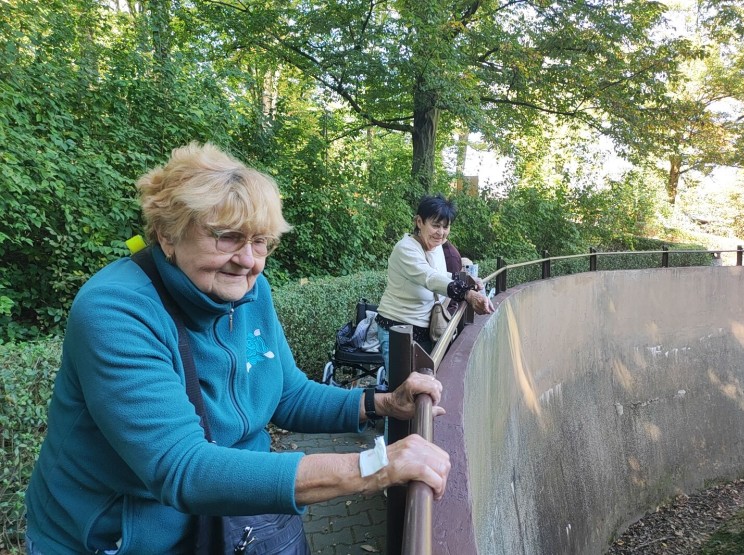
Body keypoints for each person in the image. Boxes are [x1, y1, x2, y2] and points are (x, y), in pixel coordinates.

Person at [23, 143, 450, 555]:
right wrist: (374, 465)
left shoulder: (250, 291)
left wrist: (383, 403)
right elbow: (183, 468)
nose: (248, 260)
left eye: (260, 241)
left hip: (225, 525)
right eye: (227, 237)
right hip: (119, 540)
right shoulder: (116, 309)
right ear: (167, 235)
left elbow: (287, 394)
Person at [375, 194, 495, 373]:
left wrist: (469, 283)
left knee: (426, 387)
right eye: (435, 225)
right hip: (398, 332)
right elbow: (429, 277)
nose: (441, 232)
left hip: (426, 332)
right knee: (405, 393)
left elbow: (440, 275)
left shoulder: (436, 246)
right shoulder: (405, 249)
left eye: (446, 227)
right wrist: (466, 293)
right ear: (419, 222)